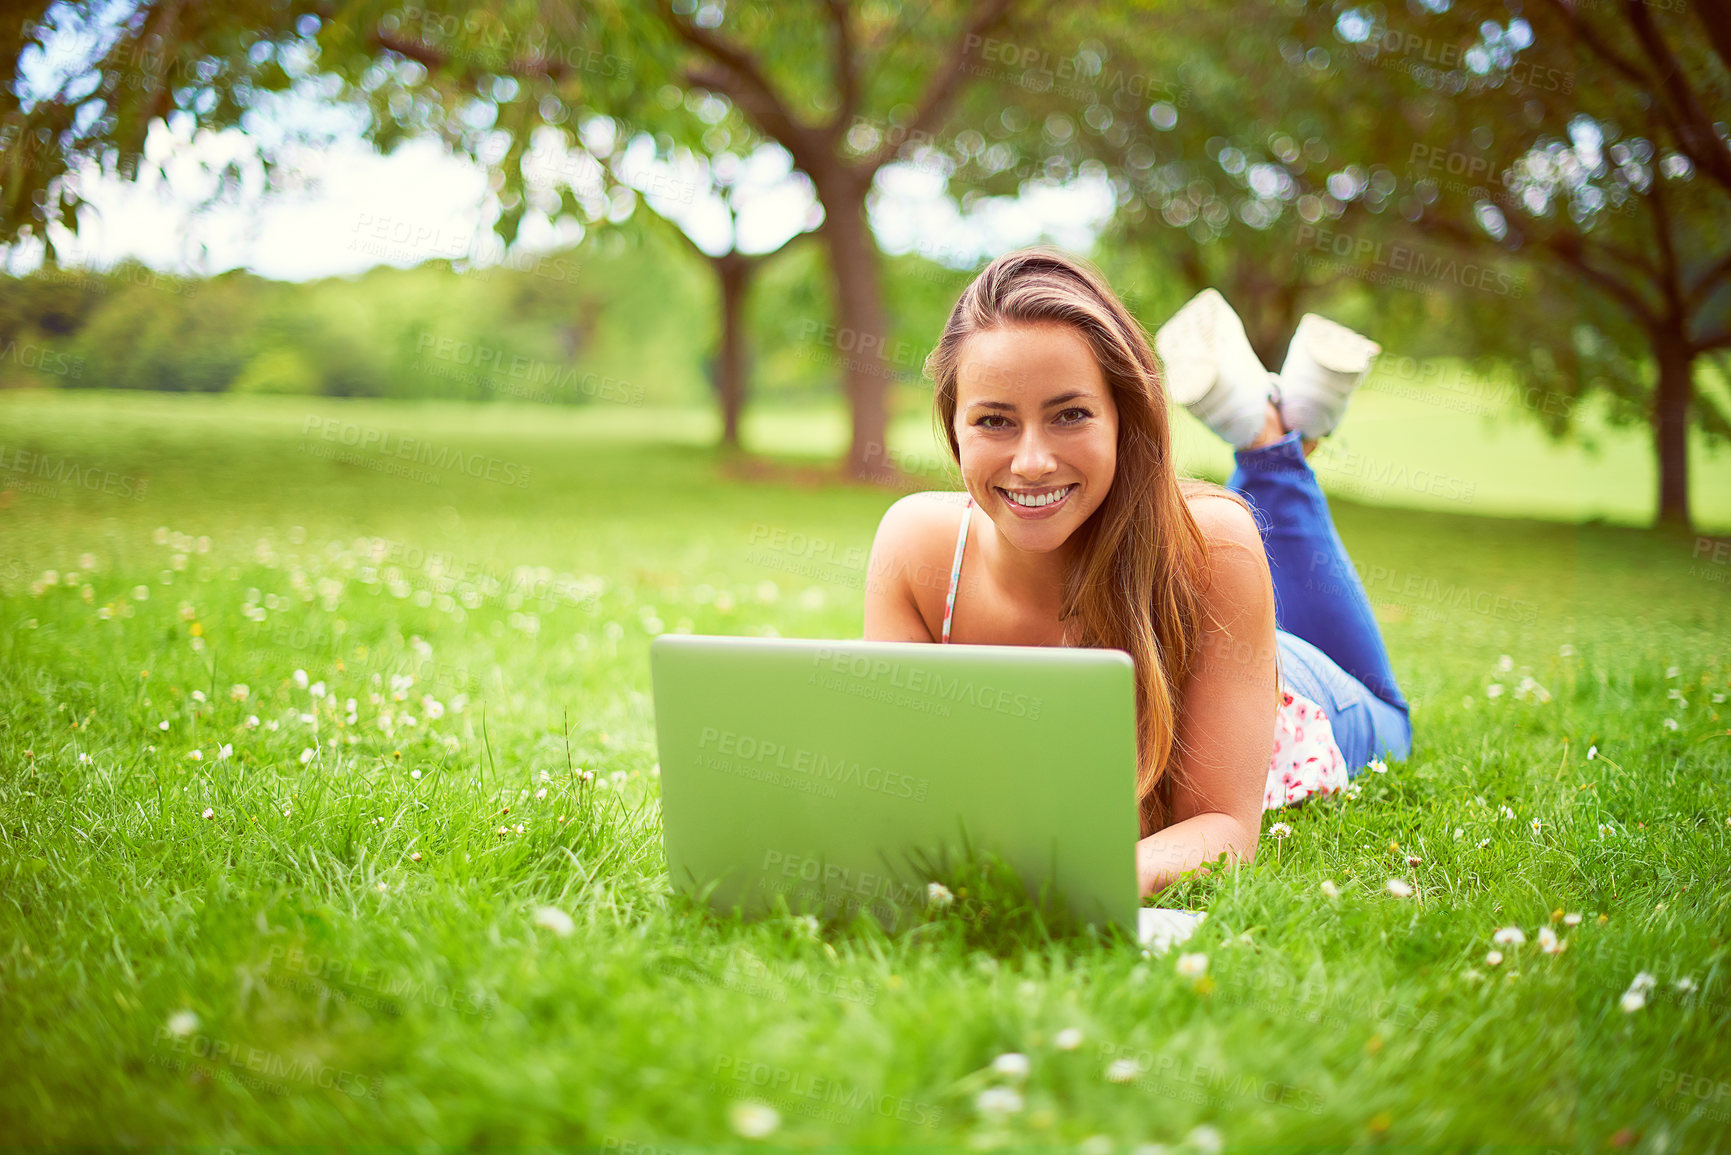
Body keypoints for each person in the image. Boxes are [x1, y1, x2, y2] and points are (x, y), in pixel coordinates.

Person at [863, 248, 1411, 898]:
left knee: (1391, 716)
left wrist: (1078, 881)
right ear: (954, 433)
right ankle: (1270, 423)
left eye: (1069, 414)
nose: (1032, 460)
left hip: (1297, 690)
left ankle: (1267, 440)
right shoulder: (914, 547)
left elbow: (1222, 825)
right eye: (993, 420)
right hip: (1214, 621)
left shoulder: (1213, 542)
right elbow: (898, 786)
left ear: (1125, 422)